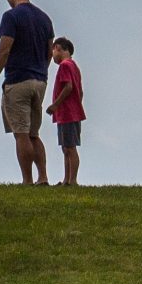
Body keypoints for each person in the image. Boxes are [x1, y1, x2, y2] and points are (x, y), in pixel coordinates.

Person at [0, 0, 55, 185]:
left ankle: (27, 180)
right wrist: (42, 70)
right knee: (34, 133)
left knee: (21, 133)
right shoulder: (45, 18)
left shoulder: (11, 16)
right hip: (40, 80)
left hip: (18, 80)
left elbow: (4, 50)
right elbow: (50, 51)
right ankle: (43, 176)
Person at [48, 36, 85, 186]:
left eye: (53, 51)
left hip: (67, 113)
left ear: (58, 48)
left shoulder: (65, 65)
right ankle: (66, 180)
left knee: (70, 147)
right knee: (66, 147)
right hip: (71, 112)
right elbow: (80, 92)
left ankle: (72, 180)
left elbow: (68, 87)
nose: (52, 56)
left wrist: (55, 105)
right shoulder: (74, 67)